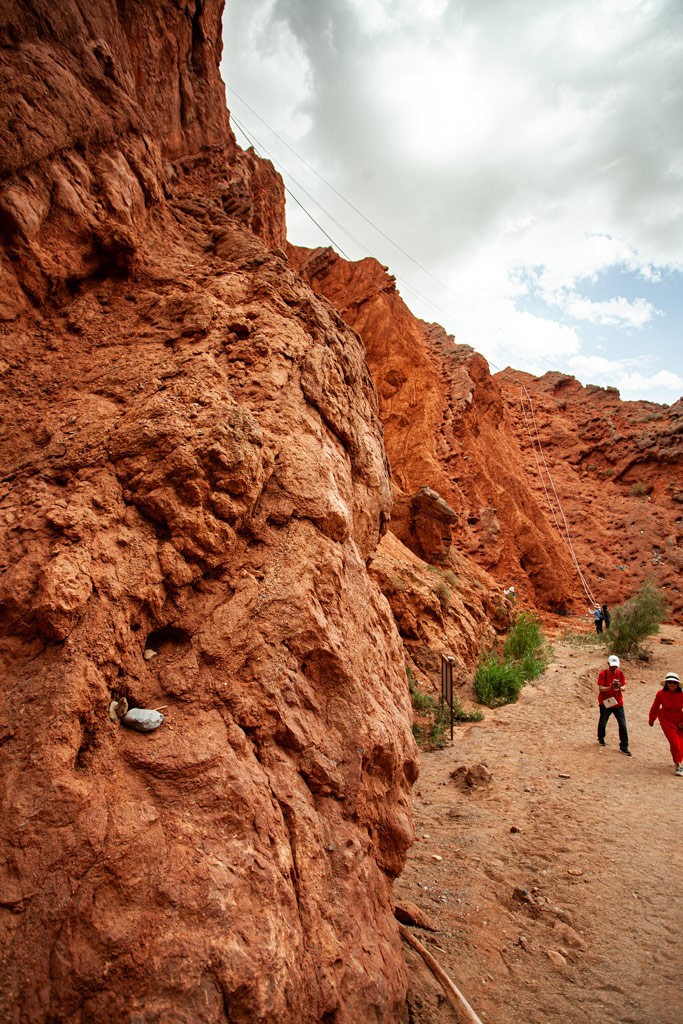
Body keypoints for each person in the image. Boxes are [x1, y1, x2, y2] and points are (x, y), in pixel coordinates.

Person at [648, 671, 683, 776]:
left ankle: (678, 759)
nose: (672, 684)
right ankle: (678, 765)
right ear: (666, 684)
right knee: (675, 743)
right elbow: (655, 707)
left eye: (674, 682)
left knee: (681, 742)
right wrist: (651, 719)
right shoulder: (661, 694)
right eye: (669, 682)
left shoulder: (682, 694)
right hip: (666, 720)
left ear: (678, 684)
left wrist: (682, 723)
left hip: (680, 719)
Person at [597, 654, 631, 755]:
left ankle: (624, 746)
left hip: (618, 703)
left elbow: (624, 687)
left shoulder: (620, 674)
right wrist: (610, 687)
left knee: (622, 724)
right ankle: (601, 737)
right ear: (608, 664)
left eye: (615, 666)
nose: (614, 668)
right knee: (603, 722)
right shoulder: (603, 674)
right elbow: (601, 688)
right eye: (612, 666)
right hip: (605, 703)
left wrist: (620, 687)